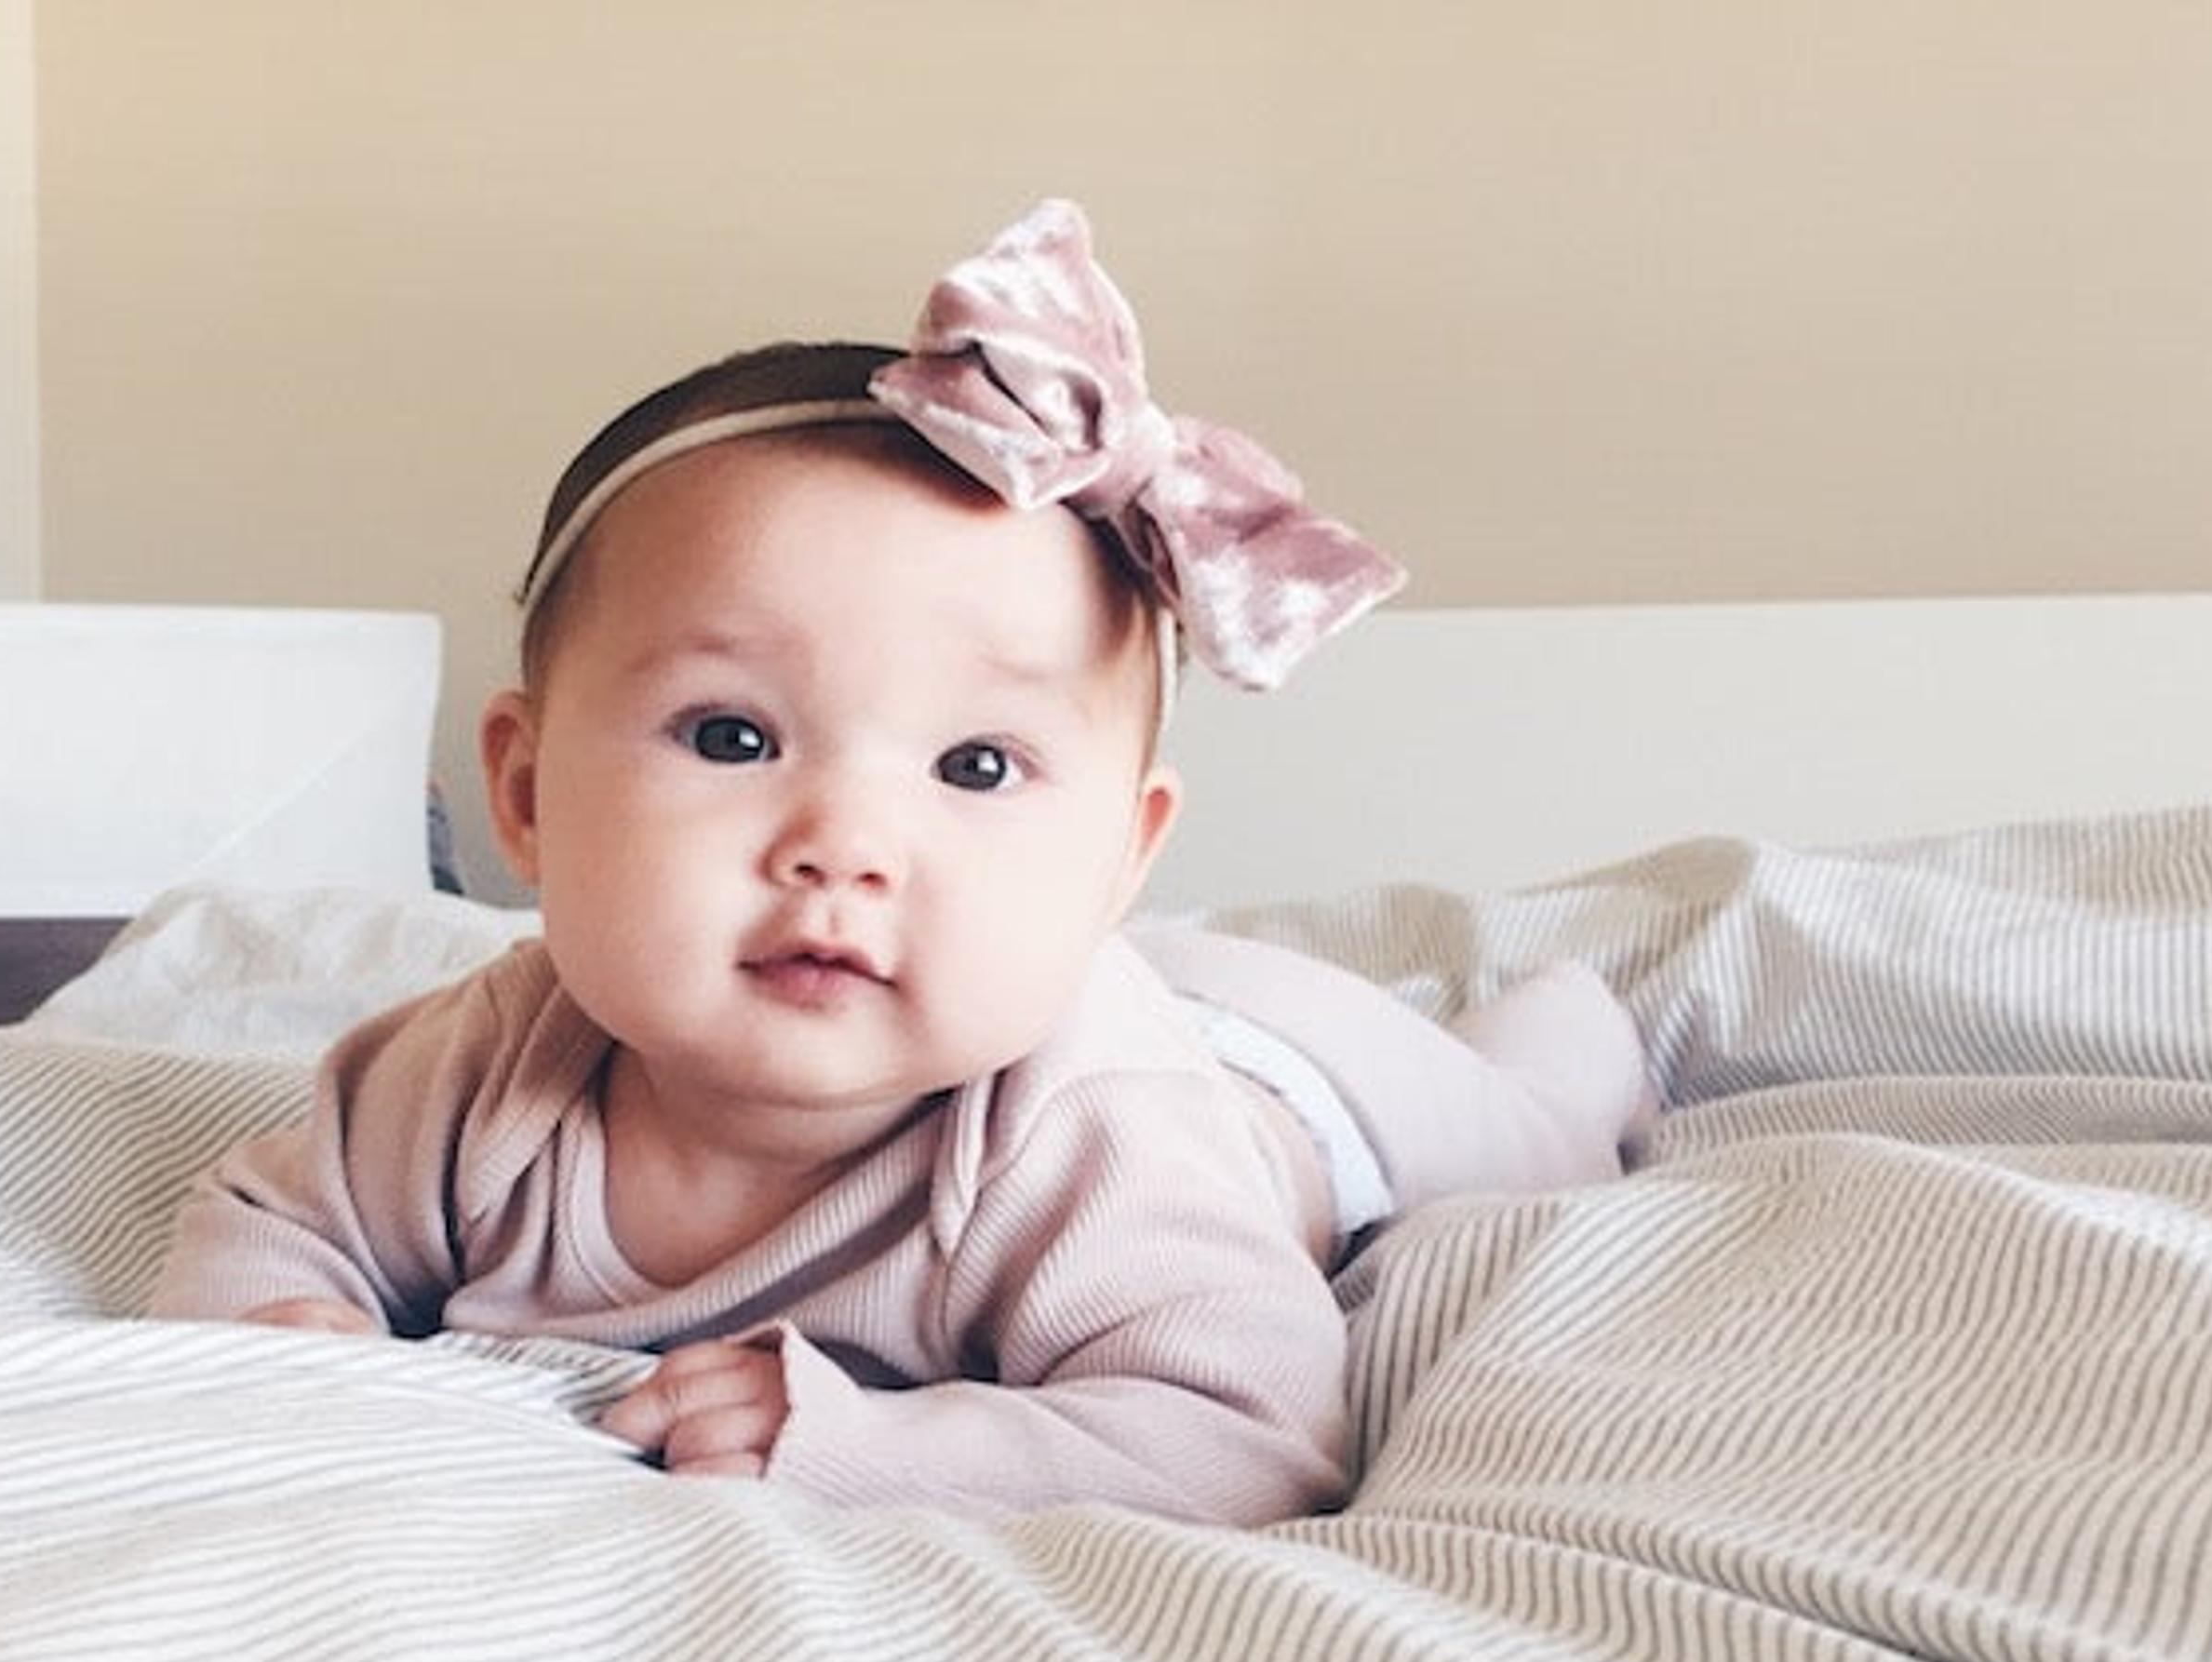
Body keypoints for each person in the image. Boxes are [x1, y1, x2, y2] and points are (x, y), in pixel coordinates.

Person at [150, 197, 1652, 1520]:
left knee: (1544, 1124)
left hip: (1292, 1087)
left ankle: (1585, 1018)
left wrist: (879, 1443)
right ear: (529, 793)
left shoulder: (1096, 1147)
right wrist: (285, 1324)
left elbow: (1241, 1441)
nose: (846, 848)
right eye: (733, 738)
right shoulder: (476, 1079)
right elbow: (271, 1220)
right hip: (1095, 990)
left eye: (978, 767)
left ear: (1121, 855)